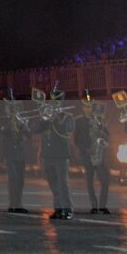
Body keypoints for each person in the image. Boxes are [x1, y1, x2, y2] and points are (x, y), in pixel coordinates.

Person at [30, 87, 75, 220]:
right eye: (52, 101)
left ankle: (67, 210)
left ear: (61, 102)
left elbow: (65, 131)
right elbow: (35, 129)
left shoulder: (67, 117)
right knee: (53, 185)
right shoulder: (46, 116)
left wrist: (55, 118)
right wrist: (44, 118)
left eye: (57, 101)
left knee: (63, 185)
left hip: (61, 156)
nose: (54, 103)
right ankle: (58, 209)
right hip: (47, 155)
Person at [72, 93, 111, 214]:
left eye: (90, 106)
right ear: (83, 108)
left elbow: (107, 136)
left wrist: (100, 133)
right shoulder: (79, 121)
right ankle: (94, 206)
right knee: (89, 182)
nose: (88, 109)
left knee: (105, 181)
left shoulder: (100, 120)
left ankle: (102, 206)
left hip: (99, 155)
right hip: (87, 155)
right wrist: (85, 149)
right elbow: (76, 140)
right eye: (86, 106)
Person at [0, 90, 30, 213]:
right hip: (9, 153)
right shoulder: (3, 120)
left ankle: (19, 203)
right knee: (13, 178)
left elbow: (28, 134)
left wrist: (22, 123)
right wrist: (12, 120)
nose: (10, 109)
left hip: (20, 154)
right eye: (9, 107)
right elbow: (3, 131)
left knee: (20, 180)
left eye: (13, 107)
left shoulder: (22, 120)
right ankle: (12, 203)